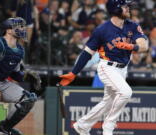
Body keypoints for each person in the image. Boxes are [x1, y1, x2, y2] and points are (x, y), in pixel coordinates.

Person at [59, 0, 148, 135]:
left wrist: (132, 47)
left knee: (108, 103)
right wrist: (73, 73)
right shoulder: (102, 30)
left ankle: (82, 125)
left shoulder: (132, 26)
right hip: (107, 67)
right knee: (125, 92)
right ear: (116, 10)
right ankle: (109, 125)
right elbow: (87, 53)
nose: (129, 9)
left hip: (123, 69)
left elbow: (144, 45)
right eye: (125, 7)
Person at [0, 17, 37, 135]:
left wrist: (27, 76)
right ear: (8, 30)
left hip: (1, 81)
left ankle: (4, 128)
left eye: (23, 26)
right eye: (19, 26)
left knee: (29, 99)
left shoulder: (19, 50)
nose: (23, 29)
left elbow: (15, 73)